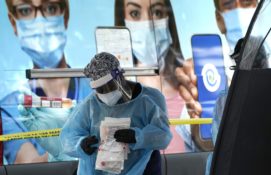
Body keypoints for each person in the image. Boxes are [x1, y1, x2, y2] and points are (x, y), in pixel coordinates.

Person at [0, 0, 92, 164]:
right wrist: (58, 152)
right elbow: (28, 166)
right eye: (25, 10)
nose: (40, 22)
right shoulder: (13, 109)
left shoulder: (99, 89)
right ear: (14, 23)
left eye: (50, 7)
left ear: (65, 15)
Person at [60, 52, 172, 175]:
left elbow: (163, 135)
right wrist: (81, 144)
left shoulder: (150, 98)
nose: (104, 93)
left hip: (141, 169)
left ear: (119, 77)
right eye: (99, 90)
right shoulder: (91, 104)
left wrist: (137, 137)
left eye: (107, 87)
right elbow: (68, 136)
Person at [175, 0, 258, 152]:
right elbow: (202, 142)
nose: (239, 12)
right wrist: (200, 131)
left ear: (259, 8)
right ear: (219, 20)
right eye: (229, 4)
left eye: (247, 2)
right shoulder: (206, 74)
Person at [114, 0, 187, 153]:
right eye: (135, 13)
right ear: (122, 22)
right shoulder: (112, 92)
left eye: (157, 12)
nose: (148, 24)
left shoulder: (189, 84)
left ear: (169, 18)